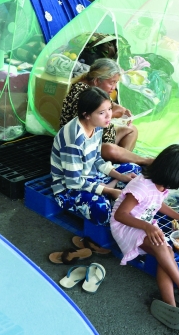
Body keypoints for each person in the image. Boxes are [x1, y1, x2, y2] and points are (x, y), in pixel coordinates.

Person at [111, 144, 179, 329]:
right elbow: (120, 215)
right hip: (126, 225)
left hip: (144, 224)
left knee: (166, 251)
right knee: (162, 247)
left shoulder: (161, 186)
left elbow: (156, 204)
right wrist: (147, 227)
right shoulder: (142, 186)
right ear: (172, 174)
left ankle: (170, 304)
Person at [50, 87, 141, 236]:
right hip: (69, 188)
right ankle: (108, 192)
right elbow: (73, 182)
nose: (108, 116)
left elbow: (97, 159)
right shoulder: (73, 140)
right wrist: (110, 190)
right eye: (101, 112)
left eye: (110, 109)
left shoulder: (97, 126)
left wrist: (120, 176)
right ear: (86, 115)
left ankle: (107, 189)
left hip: (93, 177)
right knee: (101, 208)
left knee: (134, 170)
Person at [59, 59, 151, 165]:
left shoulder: (97, 90)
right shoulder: (83, 93)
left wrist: (121, 109)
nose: (114, 87)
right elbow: (85, 124)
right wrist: (113, 114)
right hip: (81, 146)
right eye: (112, 83)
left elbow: (109, 104)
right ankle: (142, 161)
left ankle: (121, 163)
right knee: (109, 149)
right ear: (97, 81)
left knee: (132, 130)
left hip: (101, 139)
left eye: (116, 83)